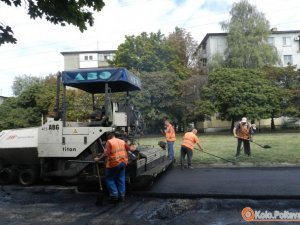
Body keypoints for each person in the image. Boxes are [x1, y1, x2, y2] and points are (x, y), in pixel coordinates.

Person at [95, 131, 131, 203]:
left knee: (110, 179)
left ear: (108, 136)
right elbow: (128, 148)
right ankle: (122, 196)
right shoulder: (122, 141)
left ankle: (114, 196)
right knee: (121, 179)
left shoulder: (109, 142)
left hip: (113, 164)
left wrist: (98, 159)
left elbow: (106, 153)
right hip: (123, 163)